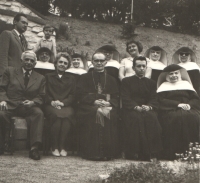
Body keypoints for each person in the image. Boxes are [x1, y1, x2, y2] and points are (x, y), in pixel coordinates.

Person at [0, 51, 45, 160]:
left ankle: (34, 148)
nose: (28, 62)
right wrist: (3, 100)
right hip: (10, 103)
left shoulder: (40, 77)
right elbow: (2, 88)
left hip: (27, 106)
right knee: (1, 113)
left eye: (31, 61)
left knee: (38, 113)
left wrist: (33, 102)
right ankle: (1, 145)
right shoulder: (10, 71)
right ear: (21, 61)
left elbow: (42, 95)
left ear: (35, 63)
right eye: (26, 59)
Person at [77, 52, 120, 160]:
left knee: (110, 113)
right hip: (89, 106)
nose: (99, 63)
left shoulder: (112, 79)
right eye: (96, 60)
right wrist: (93, 101)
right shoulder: (84, 77)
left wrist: (109, 103)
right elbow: (79, 95)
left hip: (107, 106)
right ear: (92, 62)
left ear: (106, 62)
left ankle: (108, 153)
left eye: (101, 61)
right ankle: (92, 153)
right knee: (94, 112)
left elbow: (116, 97)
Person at [121, 56, 162, 160]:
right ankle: (134, 152)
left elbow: (154, 98)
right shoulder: (126, 81)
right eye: (139, 66)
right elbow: (125, 97)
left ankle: (151, 153)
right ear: (133, 68)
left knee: (151, 118)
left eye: (144, 66)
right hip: (131, 109)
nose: (142, 68)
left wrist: (149, 106)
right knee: (136, 118)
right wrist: (135, 107)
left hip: (147, 109)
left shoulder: (151, 83)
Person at [157, 64, 200, 160]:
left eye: (176, 73)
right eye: (171, 74)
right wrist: (177, 104)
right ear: (167, 76)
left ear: (180, 74)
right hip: (170, 110)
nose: (174, 75)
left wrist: (190, 105)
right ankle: (174, 153)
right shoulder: (163, 86)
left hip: (188, 109)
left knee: (194, 117)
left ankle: (192, 152)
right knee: (175, 119)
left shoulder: (186, 84)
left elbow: (195, 99)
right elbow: (161, 101)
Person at [45, 52, 76, 157]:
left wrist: (63, 103)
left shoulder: (71, 78)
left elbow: (73, 95)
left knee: (68, 115)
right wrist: (52, 102)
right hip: (51, 105)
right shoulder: (48, 77)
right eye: (60, 62)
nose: (62, 64)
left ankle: (62, 146)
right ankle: (54, 146)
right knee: (56, 116)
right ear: (56, 63)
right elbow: (44, 93)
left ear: (68, 65)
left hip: (65, 105)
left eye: (65, 63)